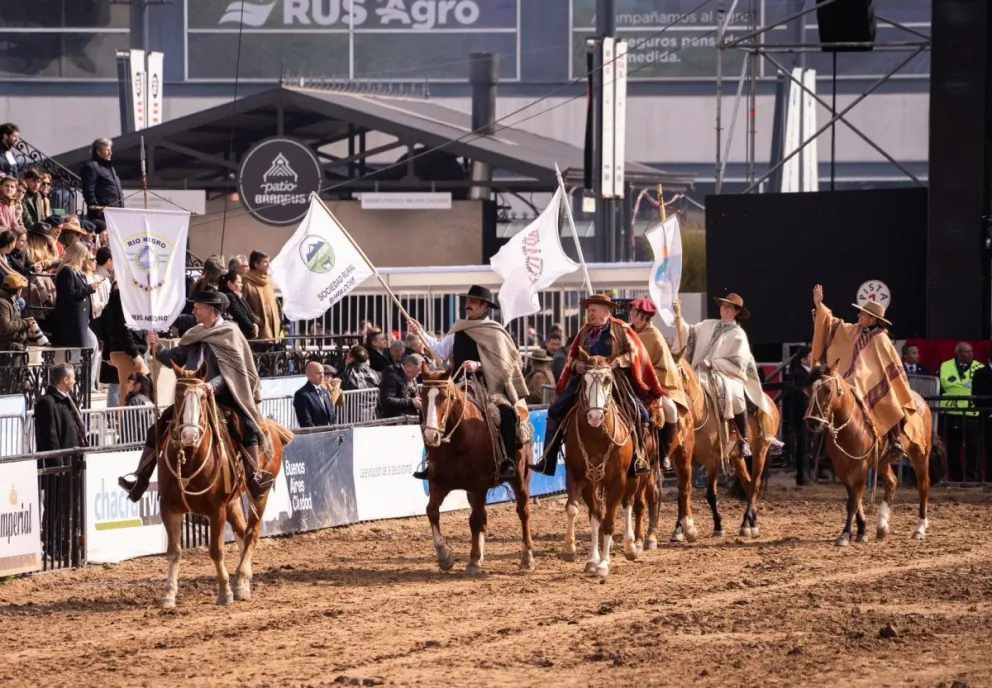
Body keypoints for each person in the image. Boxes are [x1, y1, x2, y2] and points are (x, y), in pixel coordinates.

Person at [117, 291, 275, 502]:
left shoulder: (230, 333)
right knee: (157, 428)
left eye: (198, 307)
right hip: (192, 397)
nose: (194, 311)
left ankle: (254, 477)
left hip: (223, 396)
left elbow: (232, 373)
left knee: (247, 426)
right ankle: (140, 480)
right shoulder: (195, 333)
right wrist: (157, 347)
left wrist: (210, 386)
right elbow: (174, 358)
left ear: (211, 309)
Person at [531, 293, 664, 476]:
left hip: (614, 379)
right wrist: (576, 365)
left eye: (593, 310)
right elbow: (572, 357)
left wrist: (618, 362)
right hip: (585, 380)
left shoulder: (621, 328)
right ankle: (548, 459)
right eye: (589, 310)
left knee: (641, 414)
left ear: (605, 312)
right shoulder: (584, 331)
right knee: (555, 410)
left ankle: (638, 458)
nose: (590, 314)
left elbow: (635, 354)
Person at [409, 285, 528, 481]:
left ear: (484, 306)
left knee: (506, 413)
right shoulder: (459, 328)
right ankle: (431, 462)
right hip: (457, 384)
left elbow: (504, 364)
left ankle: (507, 460)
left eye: (473, 301)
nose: (468, 305)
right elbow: (440, 351)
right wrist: (420, 331)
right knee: (431, 412)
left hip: (489, 387)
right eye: (467, 301)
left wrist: (478, 365)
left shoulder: (495, 331)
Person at [811, 284, 919, 460]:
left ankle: (895, 440)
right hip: (854, 377)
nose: (859, 315)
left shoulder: (881, 338)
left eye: (862, 313)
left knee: (889, 398)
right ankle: (826, 441)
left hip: (877, 379)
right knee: (832, 396)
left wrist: (864, 375)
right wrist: (819, 306)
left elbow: (888, 367)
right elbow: (833, 325)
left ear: (872, 319)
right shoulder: (855, 330)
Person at [672, 292, 772, 459]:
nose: (724, 309)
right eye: (723, 306)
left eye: (729, 307)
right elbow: (688, 333)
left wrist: (714, 364)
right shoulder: (708, 324)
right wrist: (678, 316)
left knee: (737, 395)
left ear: (736, 312)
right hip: (700, 371)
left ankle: (743, 440)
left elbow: (739, 363)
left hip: (728, 374)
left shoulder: (738, 334)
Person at [628, 297, 684, 471]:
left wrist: (644, 380)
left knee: (671, 410)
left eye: (635, 311)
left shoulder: (655, 336)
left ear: (645, 316)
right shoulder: (626, 332)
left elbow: (664, 368)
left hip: (650, 386)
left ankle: (664, 454)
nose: (631, 313)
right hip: (626, 383)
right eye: (632, 310)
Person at [938, 341, 983, 482]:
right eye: (967, 352)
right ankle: (956, 478)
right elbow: (941, 387)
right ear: (958, 353)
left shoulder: (979, 367)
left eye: (971, 351)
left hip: (972, 414)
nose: (971, 354)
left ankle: (970, 479)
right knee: (952, 449)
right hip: (951, 413)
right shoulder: (945, 366)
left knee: (972, 448)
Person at [80, 137, 123, 229]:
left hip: (116, 213)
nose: (111, 153)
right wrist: (97, 208)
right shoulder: (92, 167)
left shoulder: (110, 168)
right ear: (98, 151)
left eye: (110, 150)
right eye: (107, 150)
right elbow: (88, 190)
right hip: (102, 214)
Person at [241, 250, 281, 341]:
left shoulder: (268, 281)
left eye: (268, 261)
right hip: (258, 332)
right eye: (265, 262)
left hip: (274, 332)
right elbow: (242, 305)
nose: (268, 265)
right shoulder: (246, 281)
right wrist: (256, 320)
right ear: (256, 264)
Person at [377, 353, 424, 419]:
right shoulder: (391, 376)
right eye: (417, 371)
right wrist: (411, 402)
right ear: (408, 366)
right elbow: (386, 400)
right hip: (394, 419)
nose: (418, 375)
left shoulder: (411, 376)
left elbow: (413, 396)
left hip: (408, 417)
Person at [294, 361, 337, 428]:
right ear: (309, 376)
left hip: (330, 432)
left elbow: (332, 415)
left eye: (323, 373)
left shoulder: (325, 392)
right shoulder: (302, 394)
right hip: (316, 433)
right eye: (318, 373)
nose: (322, 376)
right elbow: (306, 422)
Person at [219, 269, 258, 339]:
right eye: (239, 282)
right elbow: (238, 314)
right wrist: (251, 327)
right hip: (239, 333)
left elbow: (248, 311)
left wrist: (254, 323)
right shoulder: (229, 296)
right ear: (230, 283)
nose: (241, 285)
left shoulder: (238, 295)